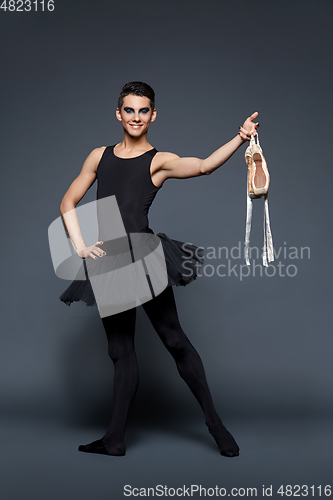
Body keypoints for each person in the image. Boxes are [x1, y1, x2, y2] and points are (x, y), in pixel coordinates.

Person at [59, 81, 259, 458]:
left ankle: (215, 425)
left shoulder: (158, 160)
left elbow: (203, 166)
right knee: (120, 350)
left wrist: (239, 138)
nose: (137, 117)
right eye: (130, 110)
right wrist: (80, 247)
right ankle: (115, 439)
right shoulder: (98, 156)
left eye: (144, 110)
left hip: (144, 256)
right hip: (110, 261)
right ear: (119, 114)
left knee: (174, 340)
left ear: (153, 115)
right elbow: (68, 202)